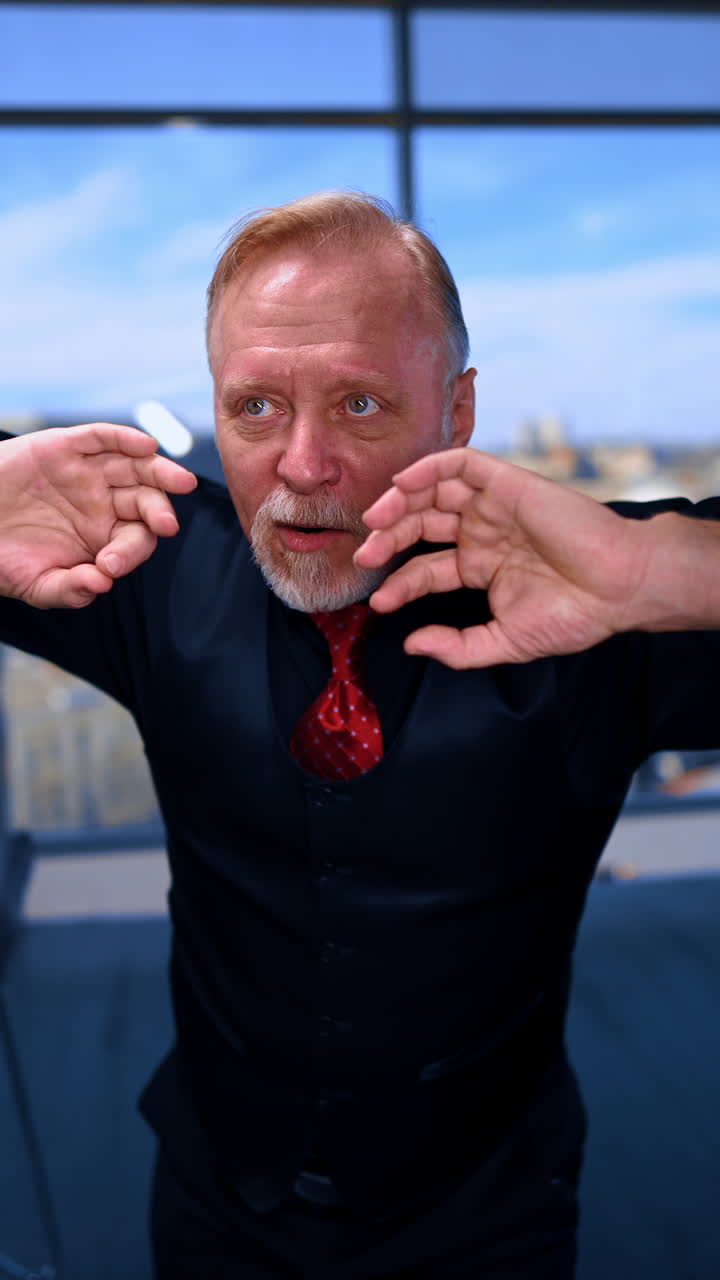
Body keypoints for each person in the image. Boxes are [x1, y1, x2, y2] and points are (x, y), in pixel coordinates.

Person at [1, 192, 719, 1279]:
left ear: (459, 409)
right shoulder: (149, 558)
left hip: (486, 1204)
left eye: (364, 403)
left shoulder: (598, 593)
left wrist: (665, 566)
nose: (303, 464)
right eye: (254, 407)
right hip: (216, 1183)